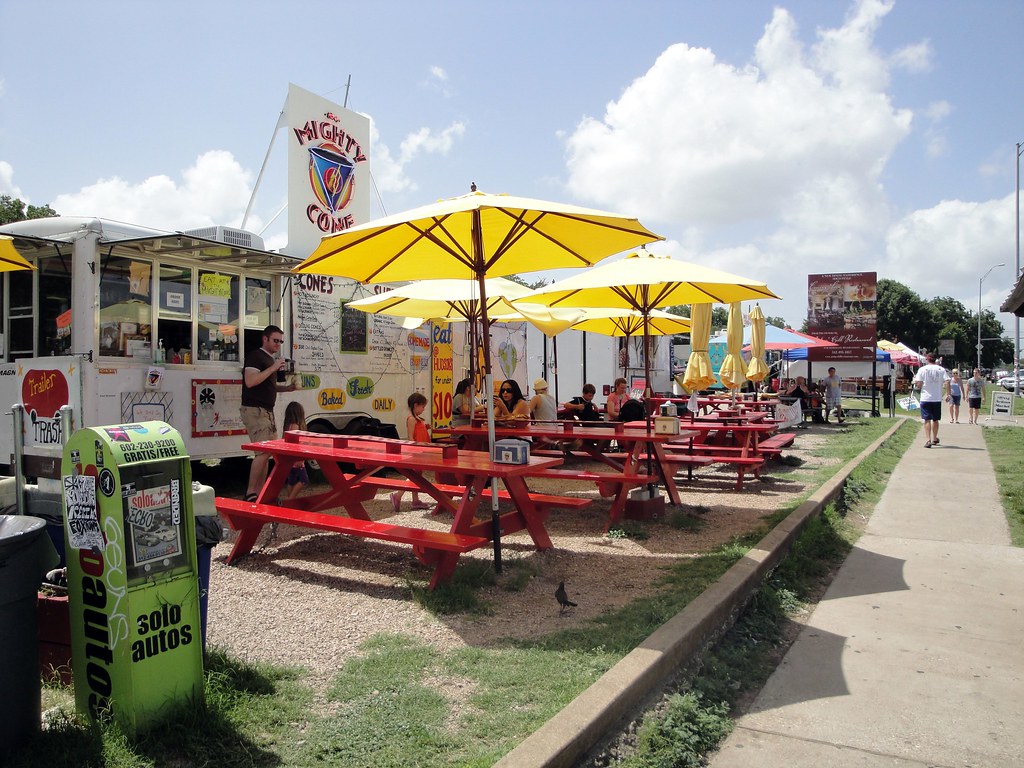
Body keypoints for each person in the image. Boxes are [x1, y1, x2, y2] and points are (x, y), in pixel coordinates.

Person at [240, 325, 297, 502]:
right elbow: (250, 381)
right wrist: (273, 368)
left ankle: (260, 493)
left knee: (267, 452)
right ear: (265, 339)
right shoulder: (256, 356)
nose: (278, 344)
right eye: (275, 340)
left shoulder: (269, 359)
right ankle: (251, 493)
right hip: (255, 410)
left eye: (281, 341)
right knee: (262, 453)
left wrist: (287, 388)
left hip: (266, 411)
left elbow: (267, 386)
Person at [391, 392, 432, 512]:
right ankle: (397, 495)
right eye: (422, 406)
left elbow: (418, 431)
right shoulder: (412, 419)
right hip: (416, 452)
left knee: (417, 475)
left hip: (421, 451)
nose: (423, 409)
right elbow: (411, 437)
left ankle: (415, 500)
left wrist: (425, 427)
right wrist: (417, 448)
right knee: (414, 476)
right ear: (416, 405)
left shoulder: (417, 419)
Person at [912, 353, 951, 448]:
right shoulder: (941, 369)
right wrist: (948, 394)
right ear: (935, 360)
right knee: (935, 419)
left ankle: (928, 440)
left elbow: (919, 384)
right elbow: (947, 381)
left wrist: (916, 382)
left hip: (925, 397)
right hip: (936, 397)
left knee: (927, 419)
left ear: (927, 360)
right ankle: (934, 438)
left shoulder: (922, 369)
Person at [282, 402, 308, 501]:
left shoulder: (288, 426)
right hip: (296, 459)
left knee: (291, 481)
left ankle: (290, 500)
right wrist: (300, 458)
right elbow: (297, 444)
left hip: (290, 458)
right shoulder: (296, 427)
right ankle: (291, 499)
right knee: (303, 480)